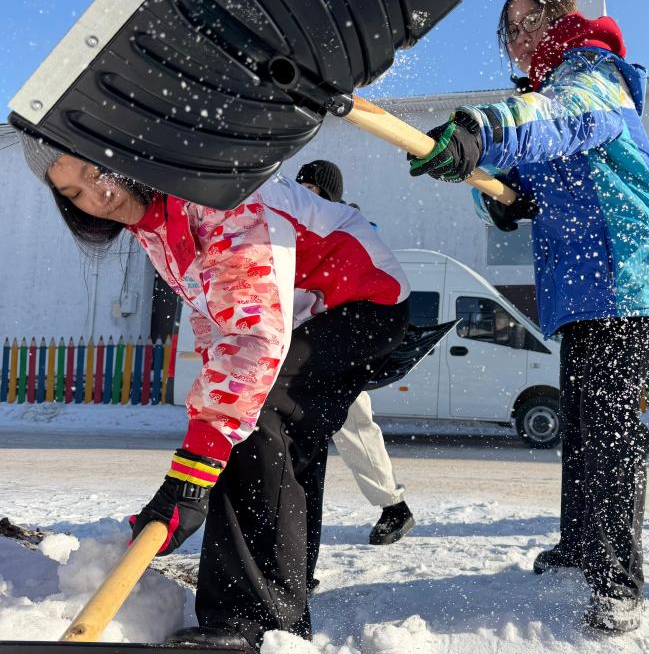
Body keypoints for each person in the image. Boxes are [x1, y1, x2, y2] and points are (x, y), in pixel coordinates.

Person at [18, 137, 411, 650]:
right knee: (261, 434)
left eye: (97, 173)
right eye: (73, 192)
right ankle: (282, 601)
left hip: (359, 299)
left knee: (259, 418)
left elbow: (252, 337)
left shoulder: (213, 194)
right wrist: (206, 444)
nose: (98, 195)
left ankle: (251, 622)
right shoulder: (153, 222)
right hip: (309, 311)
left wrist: (194, 470)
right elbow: (216, 318)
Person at [407, 0, 649, 632]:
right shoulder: (541, 99)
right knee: (582, 423)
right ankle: (582, 545)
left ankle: (618, 580)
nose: (521, 35)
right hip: (583, 285)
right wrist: (483, 181)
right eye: (511, 28)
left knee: (610, 424)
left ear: (563, 18)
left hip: (627, 268)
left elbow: (562, 118)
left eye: (531, 21)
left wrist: (480, 129)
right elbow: (512, 180)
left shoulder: (595, 72)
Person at [295, 159, 415, 546]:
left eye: (311, 189)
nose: (303, 195)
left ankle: (393, 506)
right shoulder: (299, 224)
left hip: (337, 345)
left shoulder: (349, 228)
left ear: (328, 194)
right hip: (305, 345)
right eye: (301, 187)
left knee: (352, 427)